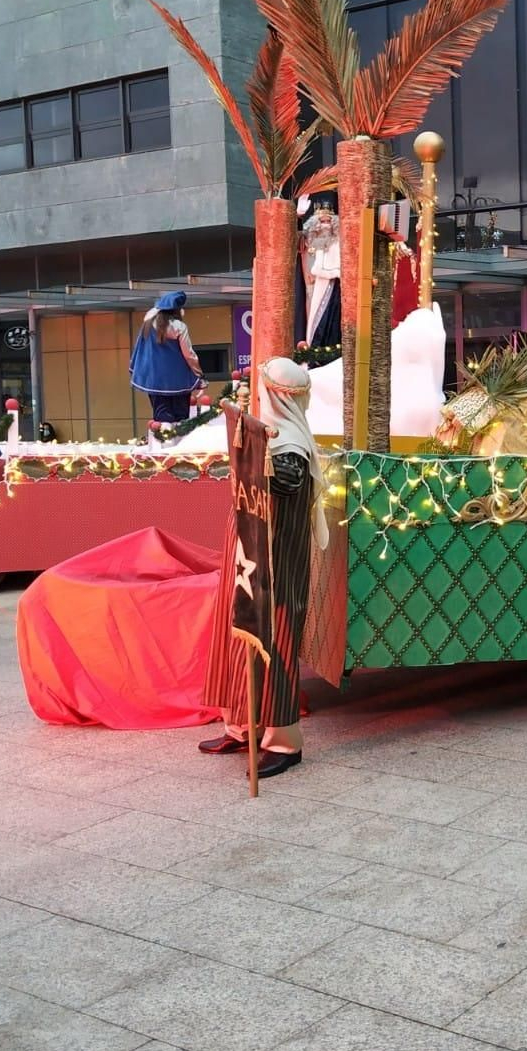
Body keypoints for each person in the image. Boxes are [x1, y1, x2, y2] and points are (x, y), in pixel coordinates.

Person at [198, 357, 326, 778]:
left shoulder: (289, 444)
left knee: (276, 641)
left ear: (272, 394)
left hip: (275, 567)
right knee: (238, 637)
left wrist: (258, 447)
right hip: (247, 561)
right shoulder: (274, 437)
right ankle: (241, 725)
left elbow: (283, 481)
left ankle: (283, 741)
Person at [129, 291, 203, 423]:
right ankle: (181, 442)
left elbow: (139, 348)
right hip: (179, 379)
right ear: (177, 310)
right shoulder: (179, 326)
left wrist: (134, 368)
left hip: (154, 379)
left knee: (161, 417)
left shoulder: (148, 323)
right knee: (181, 417)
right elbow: (189, 354)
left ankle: (163, 442)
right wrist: (199, 374)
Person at [298, 197, 342, 355]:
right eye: (321, 221)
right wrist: (298, 216)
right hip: (309, 286)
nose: (325, 225)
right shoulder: (307, 239)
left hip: (330, 284)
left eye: (328, 221)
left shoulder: (338, 241)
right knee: (310, 317)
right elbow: (290, 238)